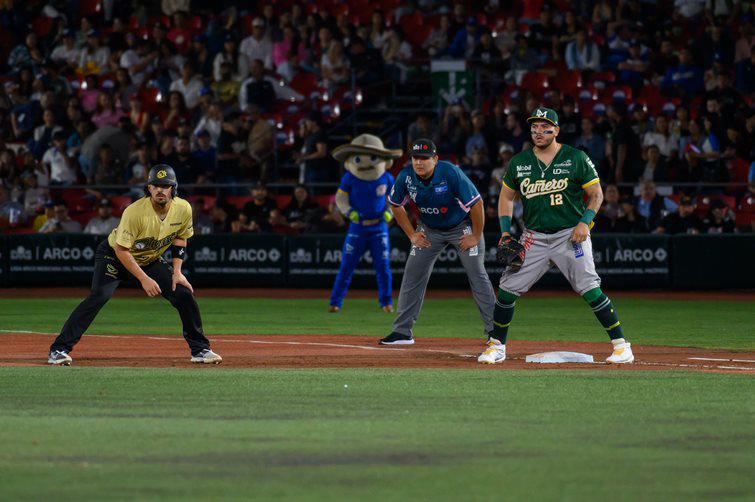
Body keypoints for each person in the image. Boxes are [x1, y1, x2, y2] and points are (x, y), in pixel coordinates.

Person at [481, 108, 633, 365]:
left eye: (545, 127)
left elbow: (596, 194)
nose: (539, 132)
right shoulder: (520, 162)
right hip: (534, 236)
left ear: (557, 130)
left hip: (569, 235)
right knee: (507, 290)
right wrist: (506, 231)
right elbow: (506, 196)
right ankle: (497, 346)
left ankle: (622, 346)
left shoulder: (575, 158)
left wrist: (586, 223)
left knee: (590, 289)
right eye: (535, 127)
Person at [47, 165, 222, 366]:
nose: (160, 190)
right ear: (148, 189)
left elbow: (181, 238)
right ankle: (59, 349)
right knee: (99, 296)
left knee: (183, 293)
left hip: (148, 258)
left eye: (165, 186)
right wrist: (144, 279)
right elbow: (122, 250)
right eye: (155, 185)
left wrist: (177, 271)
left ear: (173, 188)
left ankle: (200, 349)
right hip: (114, 256)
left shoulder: (183, 208)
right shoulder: (135, 212)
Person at [381, 139, 495, 345]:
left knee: (477, 273)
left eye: (424, 158)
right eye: (415, 158)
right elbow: (395, 204)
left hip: (461, 227)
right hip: (429, 229)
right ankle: (402, 332)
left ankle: (496, 332)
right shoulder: (406, 176)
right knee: (412, 274)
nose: (419, 162)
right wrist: (411, 235)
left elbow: (477, 204)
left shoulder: (450, 172)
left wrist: (476, 236)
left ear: (435, 159)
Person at [329, 134, 400, 313]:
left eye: (373, 157)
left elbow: (395, 198)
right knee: (347, 266)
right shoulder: (349, 178)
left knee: (383, 267)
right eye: (359, 158)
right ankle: (336, 302)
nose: (366, 162)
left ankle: (386, 302)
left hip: (379, 227)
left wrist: (390, 213)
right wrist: (348, 212)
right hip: (358, 227)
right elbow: (340, 197)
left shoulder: (387, 177)